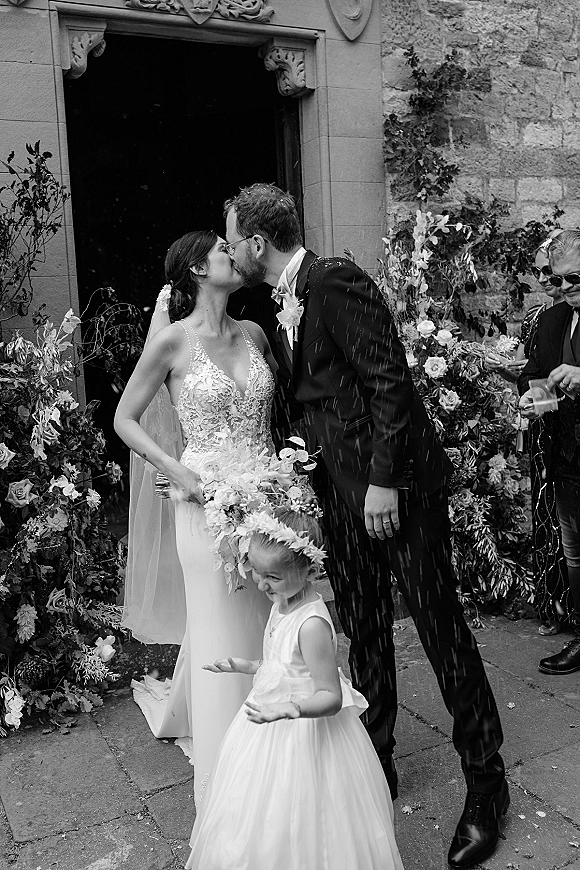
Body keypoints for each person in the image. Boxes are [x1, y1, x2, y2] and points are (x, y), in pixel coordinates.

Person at [224, 184, 508, 870]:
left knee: (440, 630)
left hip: (394, 494)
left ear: (258, 242)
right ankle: (374, 761)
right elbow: (322, 397)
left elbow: (390, 382)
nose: (228, 248)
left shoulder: (334, 279)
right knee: (365, 629)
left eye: (231, 237)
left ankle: (486, 784)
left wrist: (383, 481)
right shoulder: (282, 303)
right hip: (339, 498)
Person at [114, 230, 275, 803]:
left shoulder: (255, 333)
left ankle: (278, 750)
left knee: (268, 619)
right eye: (222, 250)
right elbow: (125, 418)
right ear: (196, 270)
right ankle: (227, 783)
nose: (235, 254)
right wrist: (174, 469)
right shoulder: (172, 344)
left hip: (263, 497)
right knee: (218, 629)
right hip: (203, 506)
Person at [185, 508, 405, 870]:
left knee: (306, 810)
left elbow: (330, 696)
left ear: (310, 570)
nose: (261, 583)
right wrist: (246, 667)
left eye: (273, 575)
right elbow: (283, 667)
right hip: (266, 725)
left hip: (307, 733)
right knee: (260, 807)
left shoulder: (312, 625)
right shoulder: (282, 603)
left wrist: (292, 709)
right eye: (256, 571)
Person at [519, 228, 580, 676]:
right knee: (575, 552)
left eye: (574, 277)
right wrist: (534, 399)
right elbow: (537, 373)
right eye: (557, 280)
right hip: (568, 456)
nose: (565, 288)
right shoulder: (553, 319)